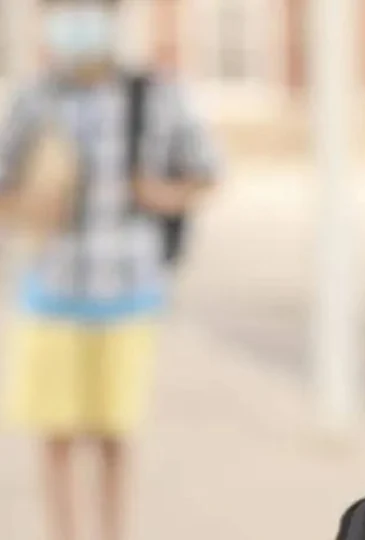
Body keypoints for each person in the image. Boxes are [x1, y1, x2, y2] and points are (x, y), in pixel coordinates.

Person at [0, 1, 219, 540]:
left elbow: (207, 173)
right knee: (57, 432)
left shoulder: (152, 94)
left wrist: (158, 193)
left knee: (114, 432)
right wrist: (32, 202)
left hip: (128, 289)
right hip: (53, 288)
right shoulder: (36, 96)